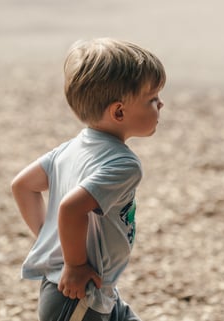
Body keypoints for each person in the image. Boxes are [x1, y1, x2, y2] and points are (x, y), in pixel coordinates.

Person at [11, 38, 166, 321]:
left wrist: (52, 240)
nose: (161, 103)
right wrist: (74, 263)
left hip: (95, 287)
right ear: (119, 112)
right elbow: (70, 209)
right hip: (79, 293)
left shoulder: (71, 148)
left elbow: (23, 186)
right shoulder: (123, 164)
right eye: (152, 99)